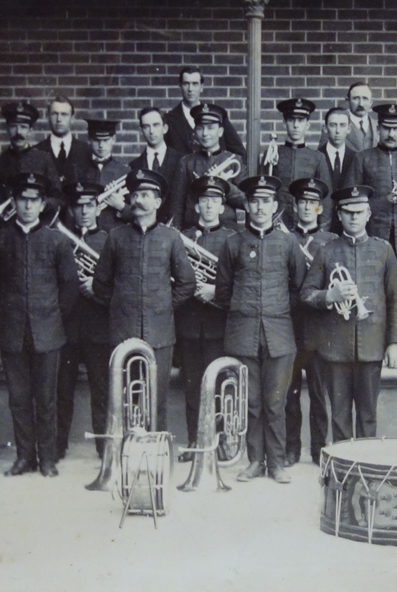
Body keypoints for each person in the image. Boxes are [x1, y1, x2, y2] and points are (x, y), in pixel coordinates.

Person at [0, 173, 79, 477]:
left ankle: (47, 459)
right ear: (14, 202)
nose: (27, 205)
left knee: (47, 399)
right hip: (12, 332)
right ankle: (24, 457)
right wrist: (7, 313)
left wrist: (52, 316)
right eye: (22, 199)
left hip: (48, 333)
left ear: (42, 204)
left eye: (33, 200)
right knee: (19, 398)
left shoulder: (57, 241)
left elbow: (70, 286)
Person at [214, 175, 307, 484]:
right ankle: (255, 460)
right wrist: (246, 311)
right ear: (246, 206)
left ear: (276, 206)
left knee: (275, 402)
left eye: (265, 201)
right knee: (250, 401)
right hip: (242, 334)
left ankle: (276, 462)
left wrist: (275, 310)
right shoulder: (233, 243)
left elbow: (299, 287)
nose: (259, 207)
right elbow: (223, 291)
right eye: (254, 201)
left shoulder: (288, 242)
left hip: (279, 334)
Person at [92, 169, 197, 432]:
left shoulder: (170, 238)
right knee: (123, 397)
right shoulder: (116, 237)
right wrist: (121, 306)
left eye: (146, 195)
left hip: (160, 333)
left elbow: (187, 282)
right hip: (122, 331)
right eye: (135, 195)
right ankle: (124, 457)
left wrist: (162, 305)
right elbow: (100, 284)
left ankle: (155, 458)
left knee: (156, 400)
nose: (139, 200)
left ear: (158, 203)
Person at [301, 185, 397, 443]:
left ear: (369, 214)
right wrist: (330, 296)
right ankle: (343, 476)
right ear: (339, 215)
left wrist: (395, 343)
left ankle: (367, 469)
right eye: (348, 212)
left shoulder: (384, 250)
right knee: (339, 416)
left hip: (371, 346)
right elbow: (306, 294)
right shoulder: (326, 251)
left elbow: (396, 299)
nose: (354, 217)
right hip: (335, 348)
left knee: (368, 415)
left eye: (359, 212)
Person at [343, 103, 397, 371]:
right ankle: (370, 349)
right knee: (371, 294)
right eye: (386, 128)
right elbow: (350, 195)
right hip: (373, 238)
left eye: (396, 129)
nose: (391, 133)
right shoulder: (363, 158)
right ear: (378, 129)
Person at [175, 175, 236, 460]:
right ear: (197, 205)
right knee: (192, 386)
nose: (209, 205)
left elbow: (240, 281)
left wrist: (216, 291)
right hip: (188, 323)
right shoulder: (182, 237)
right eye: (204, 200)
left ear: (223, 207)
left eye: (215, 201)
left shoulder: (232, 239)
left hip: (218, 325)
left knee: (220, 386)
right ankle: (195, 442)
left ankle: (220, 442)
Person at [54, 181, 110, 460]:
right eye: (79, 206)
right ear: (71, 210)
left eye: (90, 205)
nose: (84, 211)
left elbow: (119, 286)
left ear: (99, 208)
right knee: (61, 389)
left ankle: (104, 447)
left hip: (99, 328)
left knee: (102, 389)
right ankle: (58, 446)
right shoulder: (60, 239)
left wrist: (96, 287)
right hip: (66, 326)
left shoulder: (110, 241)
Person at [284, 178, 337, 466]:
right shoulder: (284, 238)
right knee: (289, 393)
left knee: (319, 393)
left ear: (320, 208)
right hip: (290, 326)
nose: (306, 207)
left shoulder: (330, 241)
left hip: (319, 328)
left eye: (312, 203)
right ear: (294, 206)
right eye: (301, 202)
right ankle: (292, 448)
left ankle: (319, 449)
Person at [0, 101, 61, 235]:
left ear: (31, 131)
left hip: (38, 230)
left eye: (23, 127)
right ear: (7, 128)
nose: (18, 132)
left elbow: (58, 197)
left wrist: (39, 203)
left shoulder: (44, 159)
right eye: (14, 126)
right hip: (7, 233)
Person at [168, 102, 248, 230]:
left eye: (210, 128)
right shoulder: (186, 162)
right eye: (200, 128)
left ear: (220, 131)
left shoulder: (233, 160)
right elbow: (177, 205)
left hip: (227, 231)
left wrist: (227, 186)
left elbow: (246, 202)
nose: (205, 133)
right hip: (193, 230)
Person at [260, 98, 332, 230]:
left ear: (307, 125)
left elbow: (326, 200)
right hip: (277, 226)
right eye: (291, 120)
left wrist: (321, 230)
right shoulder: (272, 154)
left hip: (306, 229)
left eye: (301, 120)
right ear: (284, 123)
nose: (296, 125)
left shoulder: (317, 158)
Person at [165, 65, 246, 159]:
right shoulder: (169, 119)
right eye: (186, 84)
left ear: (201, 87)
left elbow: (240, 152)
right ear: (180, 86)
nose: (190, 89)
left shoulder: (217, 116)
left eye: (195, 84)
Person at [128, 107, 184, 225]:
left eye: (156, 125)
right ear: (141, 130)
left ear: (165, 128)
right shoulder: (134, 166)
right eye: (146, 126)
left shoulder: (181, 160)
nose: (151, 131)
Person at [75, 119, 132, 231]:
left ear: (113, 139)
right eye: (97, 140)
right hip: (87, 235)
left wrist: (120, 206)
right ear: (89, 140)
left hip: (115, 235)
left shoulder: (124, 171)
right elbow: (70, 210)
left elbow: (136, 213)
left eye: (106, 140)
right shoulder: (78, 169)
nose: (101, 145)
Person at [33, 96, 92, 185]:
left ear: (72, 118)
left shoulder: (86, 151)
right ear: (48, 117)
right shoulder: (36, 151)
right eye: (54, 114)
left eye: (64, 114)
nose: (59, 119)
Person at [318, 82, 379, 152]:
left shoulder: (377, 126)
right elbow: (322, 156)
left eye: (365, 98)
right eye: (356, 98)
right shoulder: (334, 125)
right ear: (348, 100)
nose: (361, 104)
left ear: (371, 101)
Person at [318, 107, 356, 193]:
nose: (338, 131)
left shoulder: (356, 158)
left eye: (342, 125)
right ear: (325, 128)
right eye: (333, 125)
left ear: (349, 129)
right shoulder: (316, 156)